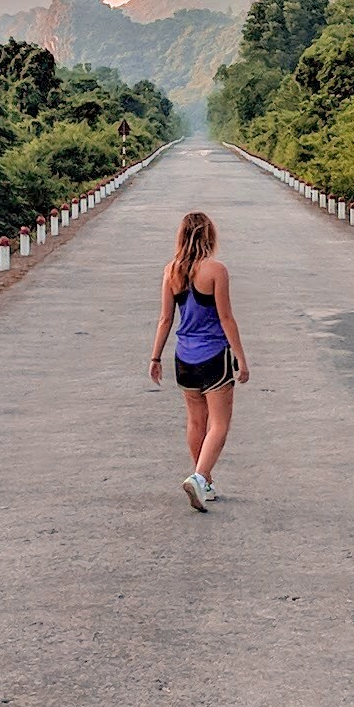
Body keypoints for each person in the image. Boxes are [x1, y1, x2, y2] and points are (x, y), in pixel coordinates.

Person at [148, 211, 250, 511]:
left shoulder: (171, 271)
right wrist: (242, 359)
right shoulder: (216, 270)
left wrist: (155, 357)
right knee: (219, 424)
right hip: (214, 357)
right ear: (210, 236)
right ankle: (200, 477)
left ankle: (204, 481)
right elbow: (226, 317)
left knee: (196, 421)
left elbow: (165, 319)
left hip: (184, 358)